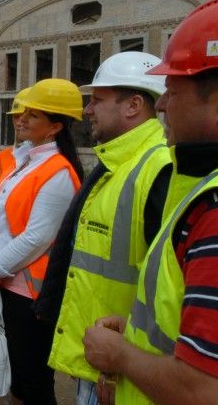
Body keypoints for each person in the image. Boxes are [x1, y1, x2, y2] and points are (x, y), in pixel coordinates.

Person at [83, 0, 218, 405]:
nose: (161, 105)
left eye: (173, 91)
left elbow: (215, 394)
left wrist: (122, 357)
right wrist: (141, 335)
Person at [30, 52, 172, 405]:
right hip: (103, 357)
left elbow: (165, 291)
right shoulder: (116, 163)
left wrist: (125, 362)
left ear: (134, 105)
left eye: (97, 100)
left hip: (120, 369)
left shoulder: (159, 170)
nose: (87, 109)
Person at [0, 79, 84, 405]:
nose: (20, 118)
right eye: (20, 112)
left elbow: (38, 236)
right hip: (7, 285)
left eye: (32, 115)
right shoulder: (23, 162)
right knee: (16, 376)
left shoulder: (59, 171)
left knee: (33, 379)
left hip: (29, 294)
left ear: (54, 127)